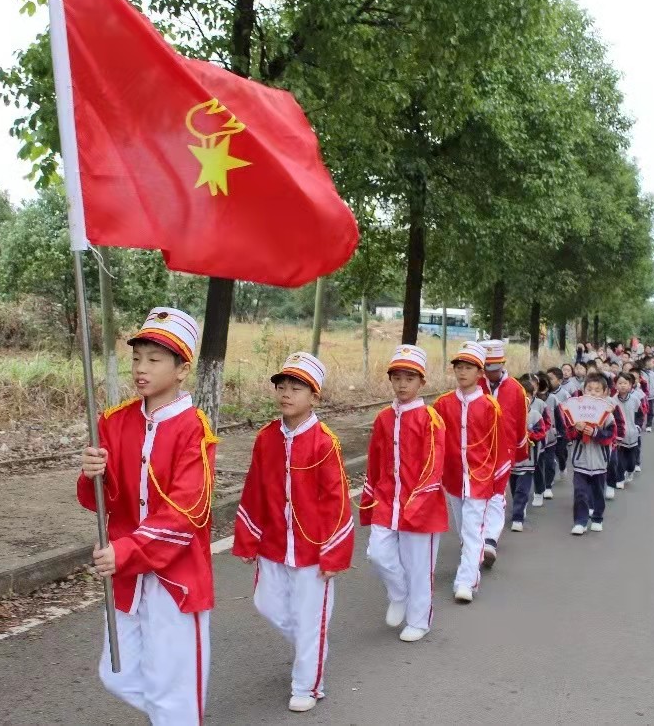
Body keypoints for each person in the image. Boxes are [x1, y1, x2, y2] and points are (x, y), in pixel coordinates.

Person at [79, 307, 216, 725]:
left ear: (181, 369)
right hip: (126, 579)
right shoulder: (113, 422)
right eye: (137, 358)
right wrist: (91, 474)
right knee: (117, 673)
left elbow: (185, 513)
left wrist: (125, 551)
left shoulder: (196, 429)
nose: (141, 369)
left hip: (176, 578)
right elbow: (95, 500)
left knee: (174, 690)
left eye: (154, 360)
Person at [232, 352, 355, 713]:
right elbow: (254, 488)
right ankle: (311, 643)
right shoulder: (266, 437)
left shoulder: (325, 442)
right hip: (273, 543)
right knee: (266, 604)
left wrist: (333, 554)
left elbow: (336, 502)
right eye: (282, 387)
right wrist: (247, 538)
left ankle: (307, 684)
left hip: (312, 550)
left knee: (310, 616)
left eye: (296, 388)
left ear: (314, 397)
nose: (286, 394)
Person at [360, 345, 448, 643]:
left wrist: (416, 503)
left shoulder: (431, 419)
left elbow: (434, 467)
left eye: (409, 378)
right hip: (386, 499)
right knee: (377, 553)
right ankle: (398, 593)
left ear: (421, 382)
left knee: (418, 566)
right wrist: (369, 498)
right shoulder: (383, 418)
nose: (402, 384)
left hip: (421, 505)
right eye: (396, 377)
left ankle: (419, 620)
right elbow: (375, 461)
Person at [432, 341, 509, 603]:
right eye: (459, 367)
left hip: (480, 479)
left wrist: (498, 485)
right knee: (464, 529)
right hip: (453, 478)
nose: (462, 372)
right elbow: (435, 442)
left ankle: (466, 581)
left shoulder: (490, 406)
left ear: (480, 373)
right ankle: (472, 558)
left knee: (473, 530)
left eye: (468, 368)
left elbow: (498, 447)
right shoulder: (442, 404)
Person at [476, 339, 527, 569]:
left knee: (497, 495)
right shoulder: (475, 386)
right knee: (476, 496)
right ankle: (474, 536)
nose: (491, 372)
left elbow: (520, 423)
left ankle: (489, 540)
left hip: (503, 450)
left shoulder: (516, 388)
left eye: (495, 367)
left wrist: (519, 451)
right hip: (477, 451)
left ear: (503, 364)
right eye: (487, 367)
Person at [562, 373, 622, 535]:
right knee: (580, 493)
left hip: (600, 462)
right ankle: (580, 521)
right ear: (583, 391)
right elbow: (568, 434)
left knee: (597, 492)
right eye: (589, 389)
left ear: (605, 392)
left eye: (597, 390)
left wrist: (595, 432)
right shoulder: (575, 413)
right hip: (580, 461)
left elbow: (611, 436)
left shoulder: (607, 414)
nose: (592, 393)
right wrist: (577, 429)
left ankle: (597, 518)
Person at [509, 377, 551, 531]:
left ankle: (518, 517)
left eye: (527, 395)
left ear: (532, 396)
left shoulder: (535, 415)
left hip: (528, 459)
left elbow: (541, 432)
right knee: (514, 488)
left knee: (522, 489)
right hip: (512, 461)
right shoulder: (509, 415)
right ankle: (520, 505)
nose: (523, 399)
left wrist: (528, 434)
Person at [612, 372, 643, 487]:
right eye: (620, 383)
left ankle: (630, 471)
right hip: (618, 437)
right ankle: (619, 479)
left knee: (631, 462)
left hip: (633, 435)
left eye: (625, 383)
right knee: (619, 460)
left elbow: (640, 414)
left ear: (630, 385)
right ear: (615, 386)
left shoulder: (635, 399)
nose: (623, 385)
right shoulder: (612, 401)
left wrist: (638, 427)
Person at [532, 372, 558, 502]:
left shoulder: (552, 399)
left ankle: (548, 485)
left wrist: (561, 433)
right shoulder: (529, 400)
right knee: (537, 465)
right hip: (536, 441)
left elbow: (558, 417)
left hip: (550, 438)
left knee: (548, 463)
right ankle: (539, 490)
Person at [547, 367, 572, 478]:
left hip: (562, 430)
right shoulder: (544, 394)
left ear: (560, 380)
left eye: (551, 378)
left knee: (561, 453)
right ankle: (549, 480)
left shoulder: (565, 394)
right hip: (549, 430)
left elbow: (570, 412)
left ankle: (562, 466)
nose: (548, 381)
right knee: (550, 455)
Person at [643, 356, 654, 432]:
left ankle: (648, 425)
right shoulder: (641, 373)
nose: (652, 364)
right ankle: (638, 424)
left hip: (651, 396)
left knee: (650, 411)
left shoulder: (653, 374)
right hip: (642, 396)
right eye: (651, 362)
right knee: (641, 411)